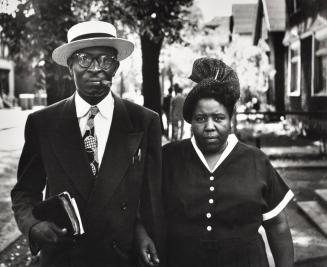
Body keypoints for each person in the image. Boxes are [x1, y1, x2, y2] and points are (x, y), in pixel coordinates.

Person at [11, 21, 164, 267]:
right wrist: (33, 225)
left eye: (105, 60)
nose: (95, 69)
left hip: (122, 256)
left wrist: (143, 232)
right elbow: (25, 192)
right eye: (84, 59)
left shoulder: (144, 121)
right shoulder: (43, 123)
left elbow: (151, 199)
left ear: (115, 67)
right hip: (64, 256)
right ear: (69, 65)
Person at [137, 57, 294, 267]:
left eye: (218, 118)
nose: (209, 126)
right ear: (191, 121)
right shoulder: (169, 158)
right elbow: (138, 206)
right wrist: (140, 234)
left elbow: (278, 226)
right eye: (201, 118)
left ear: (231, 120)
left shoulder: (256, 161)